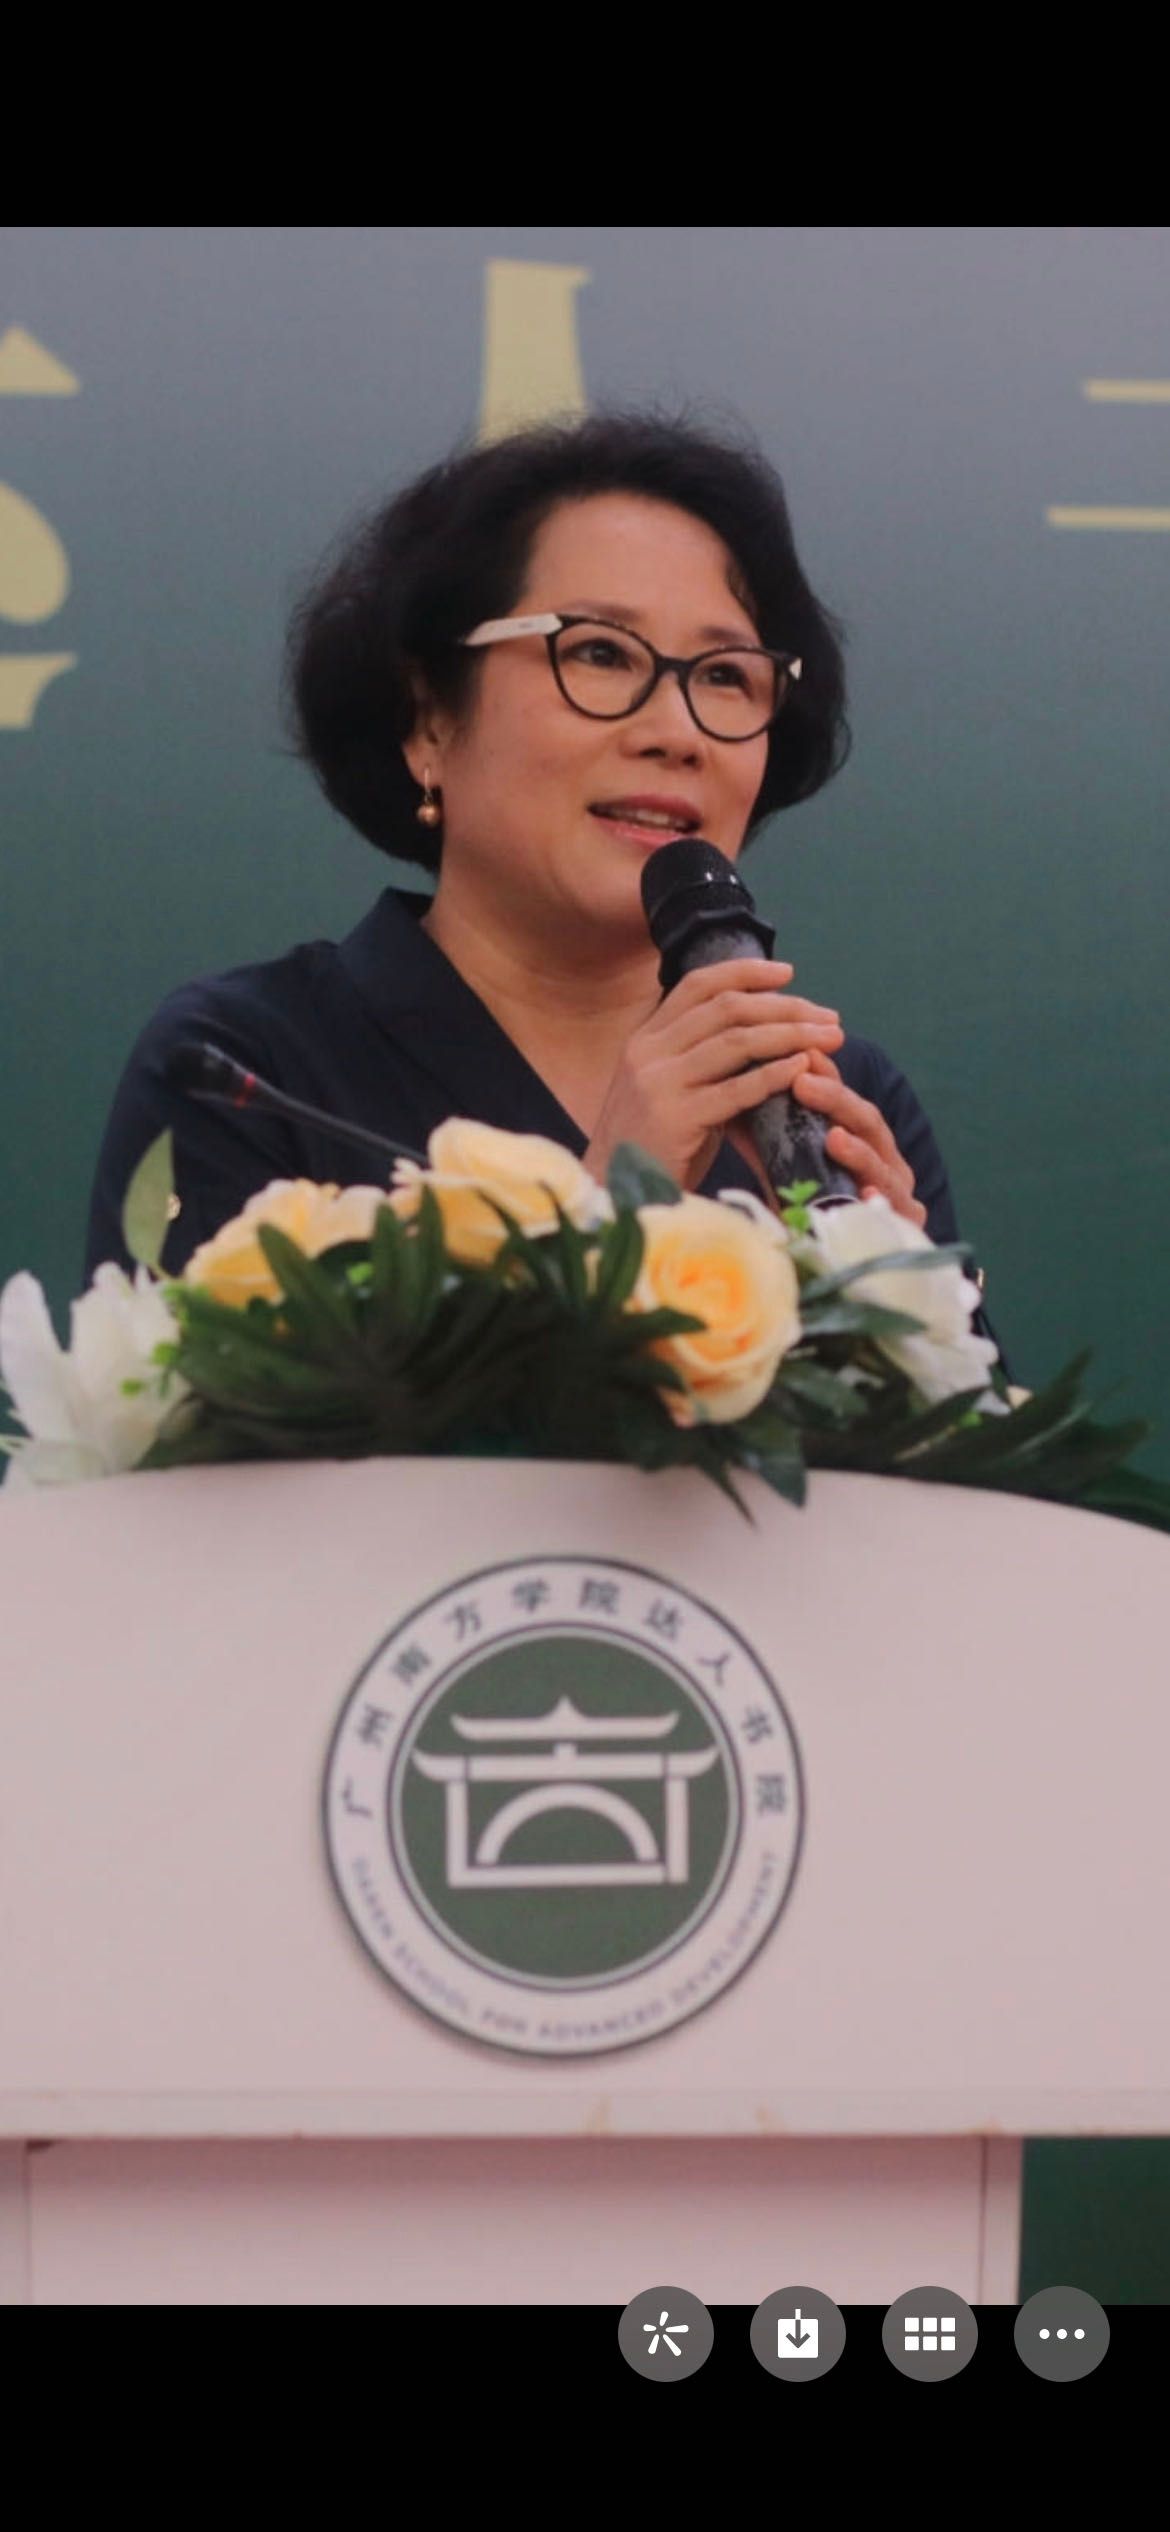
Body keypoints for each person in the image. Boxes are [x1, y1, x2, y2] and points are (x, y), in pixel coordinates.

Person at [83, 410, 995, 1345]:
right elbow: (208, 1437)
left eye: (726, 675)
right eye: (600, 653)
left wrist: (901, 1334)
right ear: (429, 719)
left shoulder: (834, 1099)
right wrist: (611, 1209)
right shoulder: (251, 1067)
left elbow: (981, 1437)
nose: (677, 732)